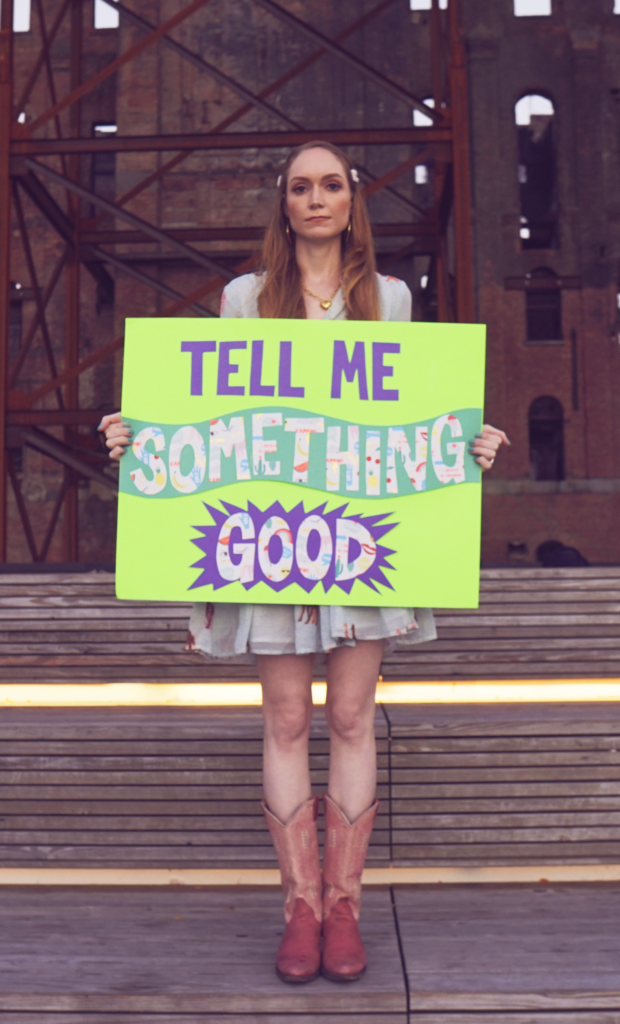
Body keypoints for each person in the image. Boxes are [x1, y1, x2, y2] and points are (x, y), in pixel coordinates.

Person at [100, 141, 508, 986]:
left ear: (352, 201)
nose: (316, 200)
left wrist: (470, 441)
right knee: (286, 718)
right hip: (273, 536)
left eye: (331, 186)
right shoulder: (245, 298)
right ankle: (300, 906)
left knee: (354, 717)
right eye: (300, 188)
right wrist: (143, 437)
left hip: (360, 534)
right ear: (282, 204)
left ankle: (345, 904)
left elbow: (419, 406)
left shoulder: (389, 298)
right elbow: (212, 407)